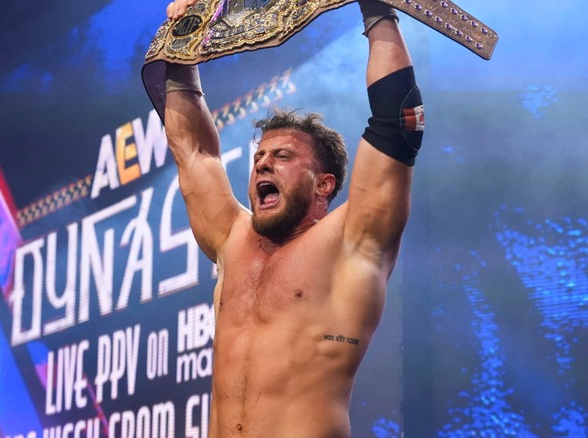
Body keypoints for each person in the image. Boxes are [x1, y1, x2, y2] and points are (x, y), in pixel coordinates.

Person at [159, 0, 424, 434]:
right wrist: (183, 40)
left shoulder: (351, 243)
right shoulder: (232, 238)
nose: (262, 164)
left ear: (324, 185)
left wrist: (378, 11)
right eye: (259, 156)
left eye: (281, 156)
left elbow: (399, 122)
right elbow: (194, 154)